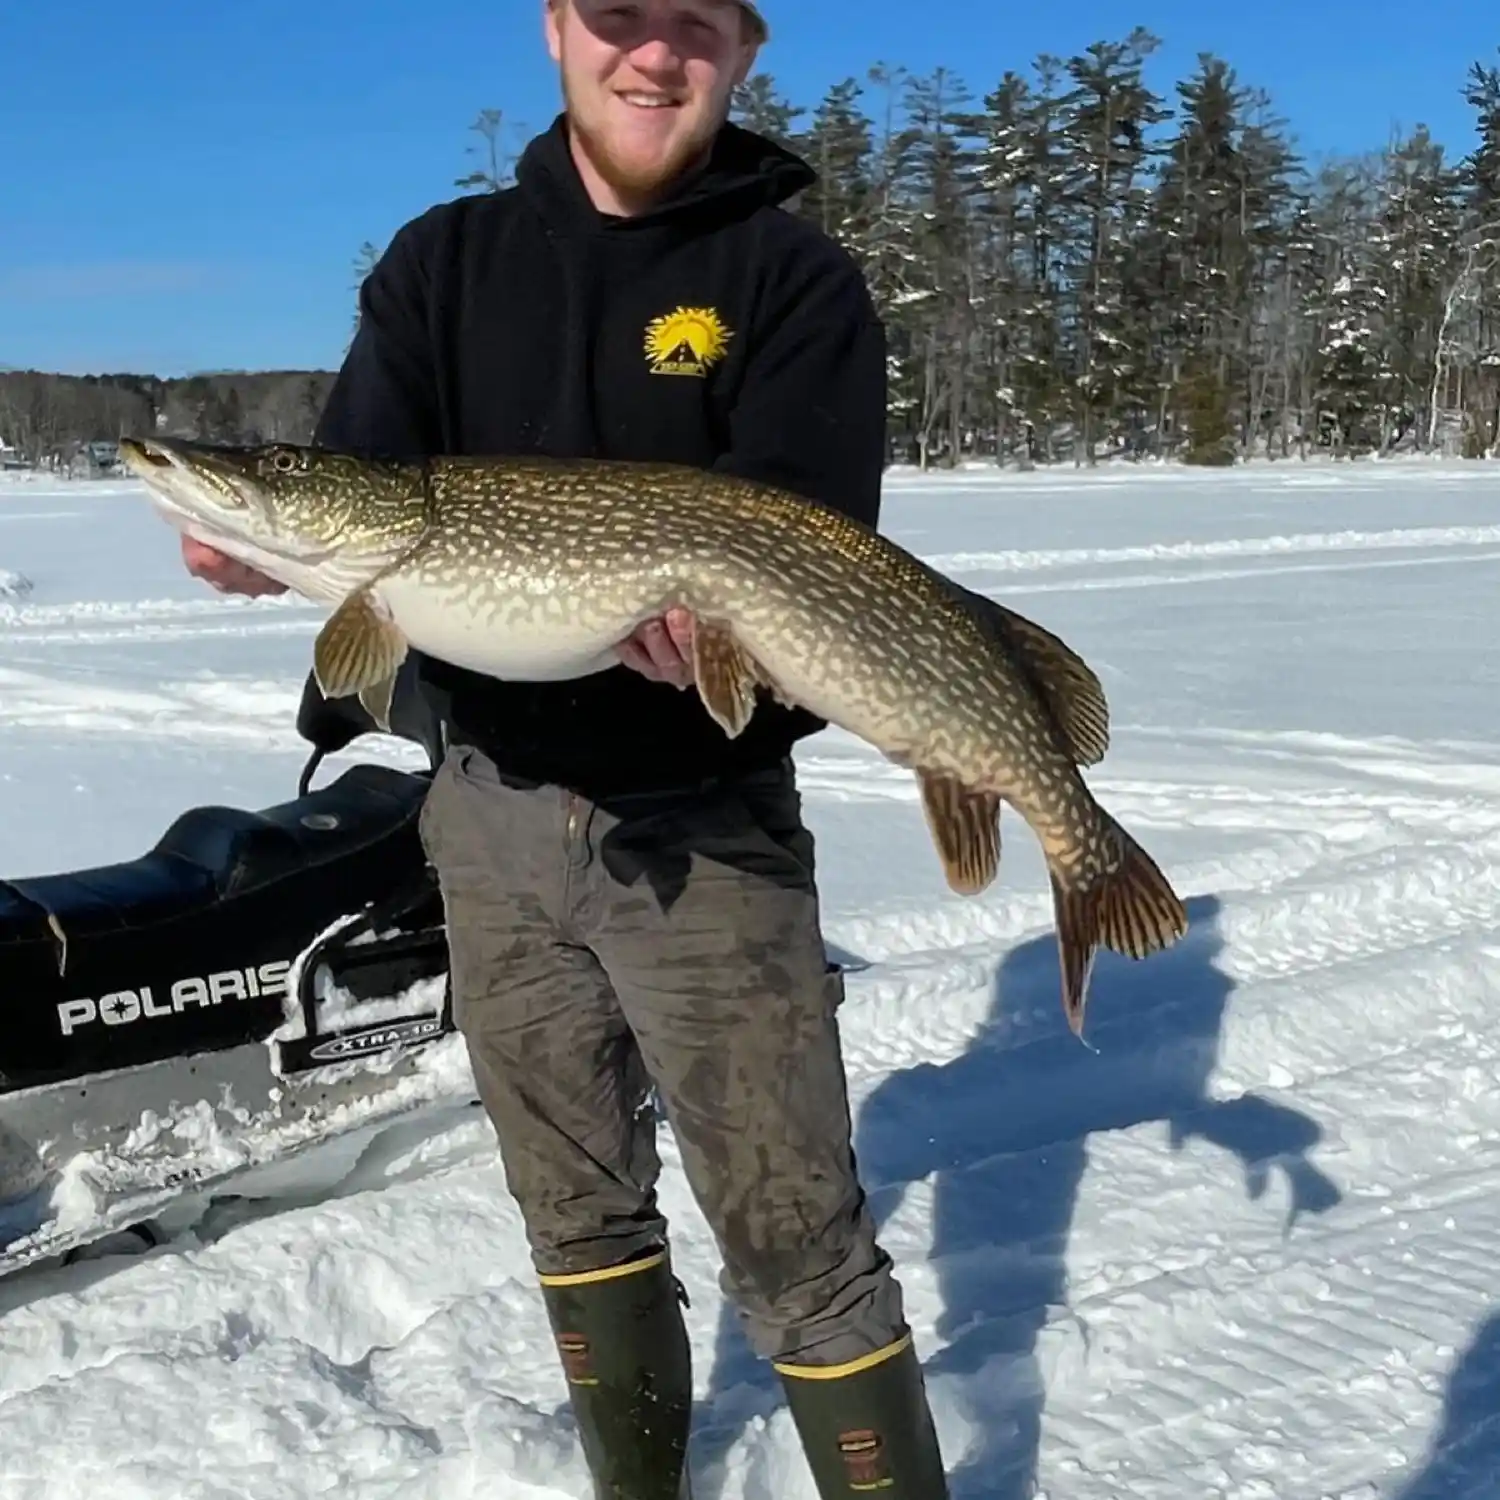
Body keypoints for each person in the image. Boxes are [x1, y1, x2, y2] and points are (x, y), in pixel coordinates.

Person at [183, 1, 949, 1493]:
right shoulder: (443, 264)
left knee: (799, 1243)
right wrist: (272, 542)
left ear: (743, 48)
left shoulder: (790, 280)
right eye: (618, 15)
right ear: (553, 28)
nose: (651, 53)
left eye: (694, 25)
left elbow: (813, 554)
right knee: (575, 1211)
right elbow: (361, 500)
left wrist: (717, 646)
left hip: (704, 837)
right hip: (488, 822)